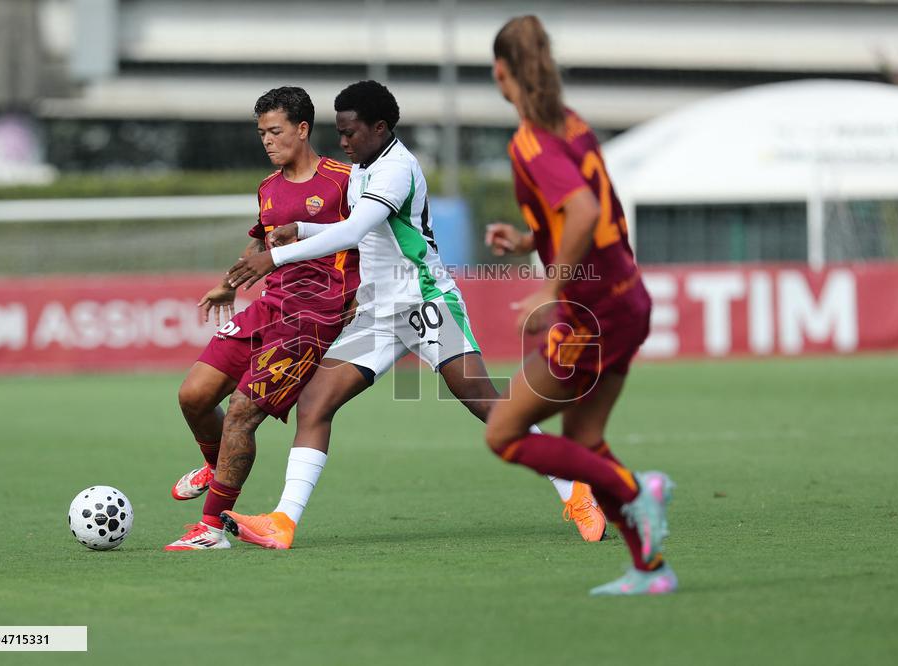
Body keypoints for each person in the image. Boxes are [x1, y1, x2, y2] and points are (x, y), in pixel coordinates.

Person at [218, 80, 606, 550]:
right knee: (315, 403)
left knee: (486, 403)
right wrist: (301, 226)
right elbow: (355, 228)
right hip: (380, 311)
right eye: (339, 132)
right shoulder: (365, 165)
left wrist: (274, 258)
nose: (343, 142)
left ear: (380, 128)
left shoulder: (396, 168)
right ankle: (284, 521)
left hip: (424, 302)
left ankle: (576, 486)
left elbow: (355, 229)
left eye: (351, 132)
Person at [481, 16, 677, 595]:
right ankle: (650, 570)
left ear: (500, 72)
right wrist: (527, 239)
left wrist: (549, 286)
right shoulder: (571, 125)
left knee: (504, 434)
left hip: (591, 311)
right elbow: (574, 209)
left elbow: (586, 211)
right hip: (627, 299)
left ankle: (637, 489)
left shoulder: (528, 141)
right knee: (585, 436)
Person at [164, 86, 360, 550]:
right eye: (261, 133)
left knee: (240, 415)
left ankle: (211, 529)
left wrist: (362, 293)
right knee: (193, 395)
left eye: (275, 131)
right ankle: (216, 465)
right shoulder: (269, 187)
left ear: (303, 128)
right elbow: (260, 241)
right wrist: (228, 284)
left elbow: (372, 236)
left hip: (313, 316)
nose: (267, 141)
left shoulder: (345, 181)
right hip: (269, 306)